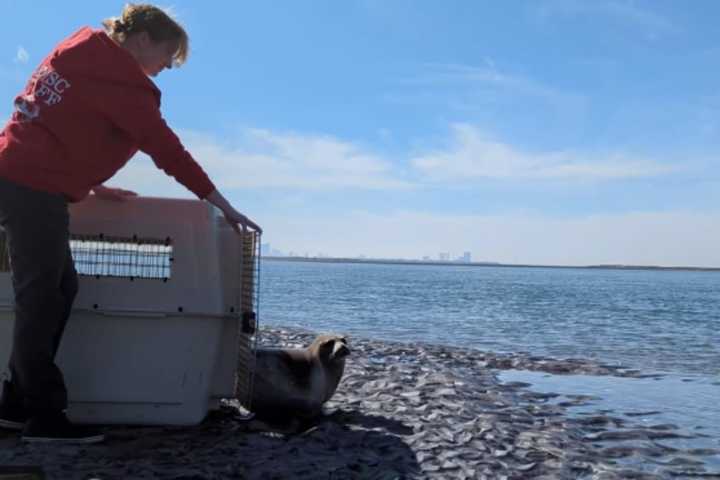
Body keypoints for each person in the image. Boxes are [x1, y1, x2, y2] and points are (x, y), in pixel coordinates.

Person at [0, 4, 261, 444]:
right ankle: (42, 416)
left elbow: (59, 120)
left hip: (20, 173)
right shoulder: (121, 81)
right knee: (42, 297)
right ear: (141, 39)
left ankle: (14, 404)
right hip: (30, 186)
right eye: (166, 55)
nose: (165, 69)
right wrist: (222, 204)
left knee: (57, 291)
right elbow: (168, 152)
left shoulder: (79, 46)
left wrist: (91, 184)